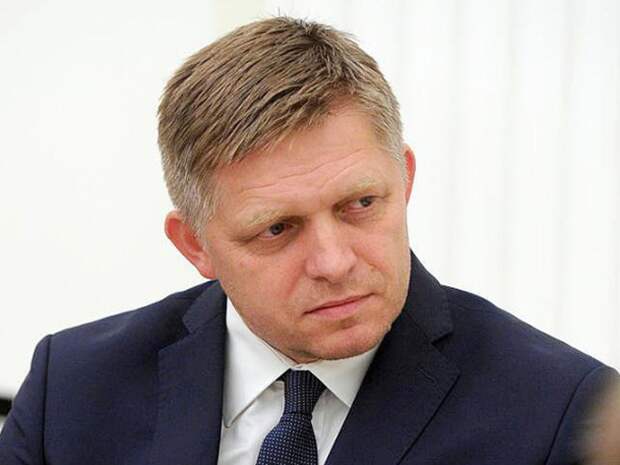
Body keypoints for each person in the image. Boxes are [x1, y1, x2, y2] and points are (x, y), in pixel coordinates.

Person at [0, 16, 616, 465]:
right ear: (195, 245)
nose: (334, 262)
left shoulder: (562, 415)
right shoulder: (72, 390)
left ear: (404, 179)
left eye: (360, 205)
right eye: (277, 228)